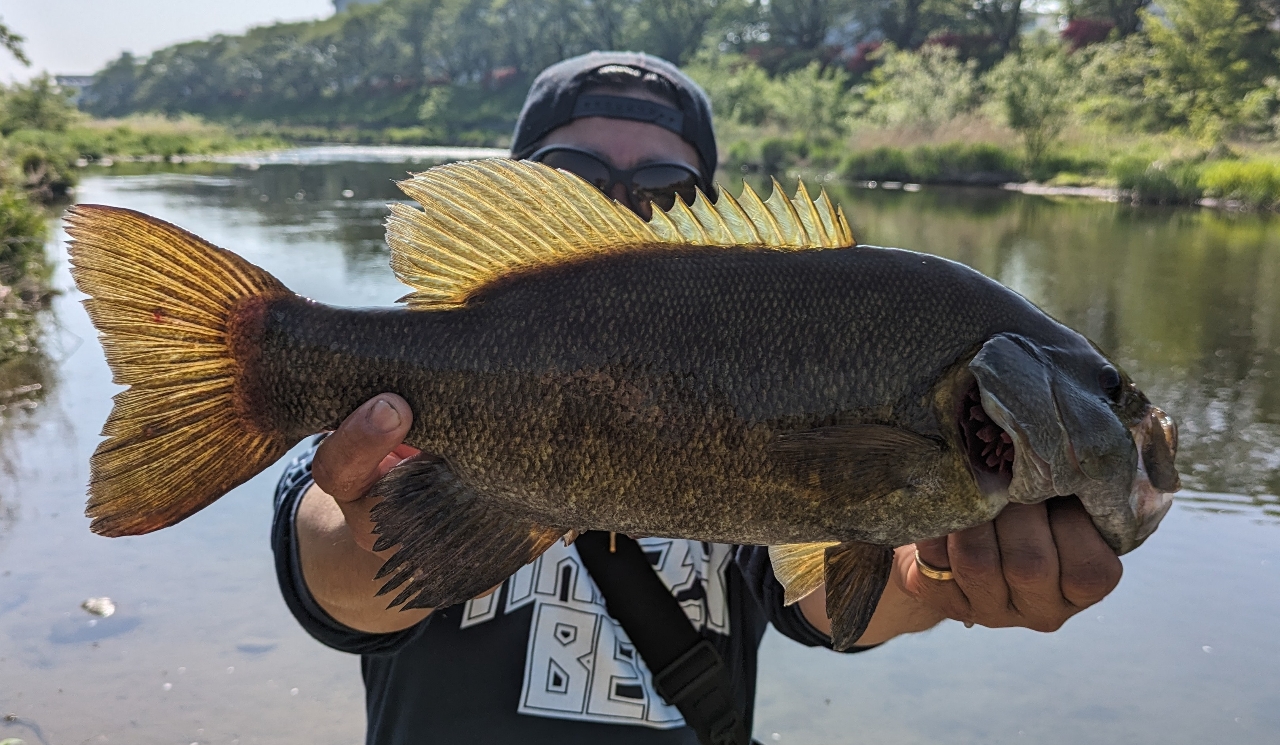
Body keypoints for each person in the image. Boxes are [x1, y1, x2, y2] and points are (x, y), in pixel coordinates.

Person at [272, 51, 1123, 745]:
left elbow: (826, 600)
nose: (623, 197)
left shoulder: (769, 348)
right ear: (525, 186)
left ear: (709, 221)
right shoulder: (407, 371)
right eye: (574, 169)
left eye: (669, 186)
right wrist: (373, 535)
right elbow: (328, 578)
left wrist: (933, 579)